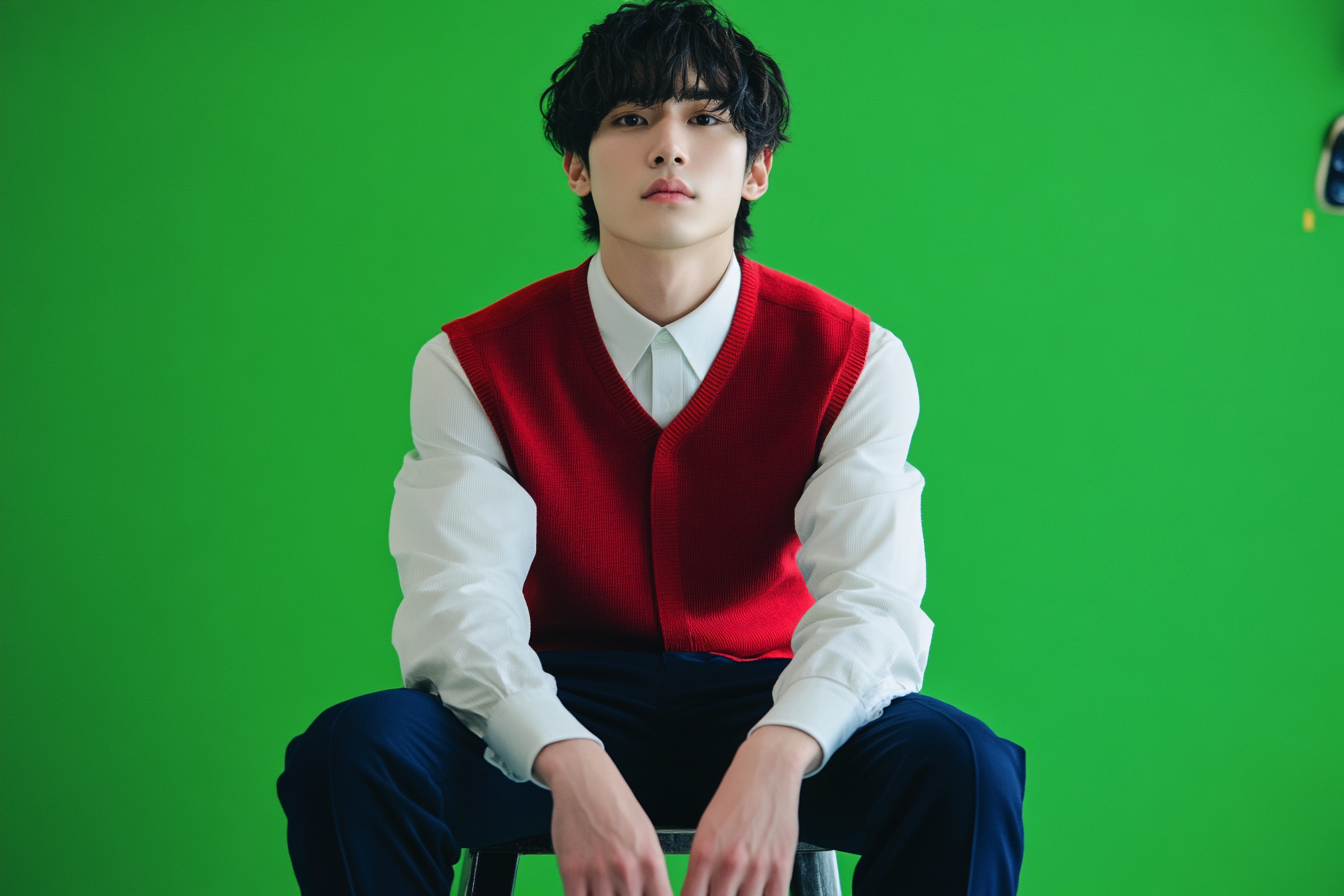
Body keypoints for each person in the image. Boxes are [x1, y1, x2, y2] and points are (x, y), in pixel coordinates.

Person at [277, 1, 1025, 893]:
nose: (669, 146)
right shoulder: (473, 361)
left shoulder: (854, 357)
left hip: (766, 694)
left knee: (965, 766)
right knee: (351, 752)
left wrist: (781, 753)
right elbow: (458, 605)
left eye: (706, 120)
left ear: (758, 169)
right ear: (576, 169)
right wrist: (565, 758)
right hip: (551, 696)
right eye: (631, 119)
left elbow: (873, 601)